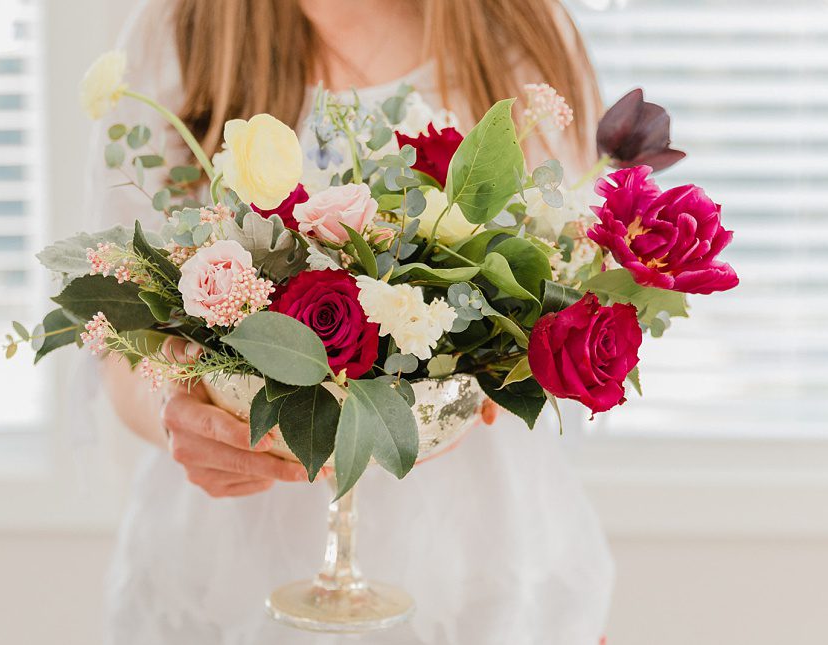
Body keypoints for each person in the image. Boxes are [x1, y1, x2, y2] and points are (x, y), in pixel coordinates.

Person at [89, 1, 613, 643]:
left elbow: (570, 282)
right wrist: (181, 409)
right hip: (231, 572)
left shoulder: (521, 31)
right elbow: (116, 338)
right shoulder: (182, 30)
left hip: (477, 561)